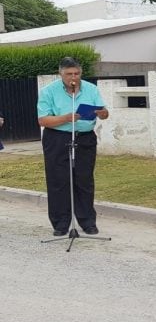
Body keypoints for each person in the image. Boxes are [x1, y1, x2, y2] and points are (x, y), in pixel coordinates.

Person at [37, 57, 109, 236]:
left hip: (84, 138)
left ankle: (87, 221)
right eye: (69, 74)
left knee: (84, 180)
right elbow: (43, 119)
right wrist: (65, 118)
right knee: (58, 181)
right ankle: (61, 223)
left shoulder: (91, 89)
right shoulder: (48, 91)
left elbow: (105, 113)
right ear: (60, 74)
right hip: (57, 138)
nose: (73, 78)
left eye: (76, 73)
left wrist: (102, 113)